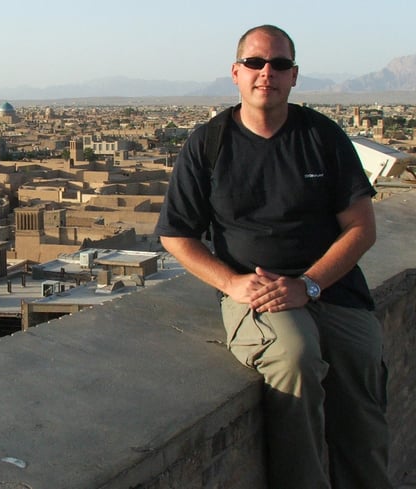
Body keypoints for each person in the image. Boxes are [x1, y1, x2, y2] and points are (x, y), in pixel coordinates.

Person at [158, 25, 391, 489]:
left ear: (295, 75)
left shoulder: (322, 136)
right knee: (295, 357)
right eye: (256, 63)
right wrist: (232, 284)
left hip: (330, 288)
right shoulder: (209, 143)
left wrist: (308, 285)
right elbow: (176, 235)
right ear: (236, 73)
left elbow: (362, 226)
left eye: (280, 65)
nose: (268, 73)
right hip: (257, 291)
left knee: (361, 365)